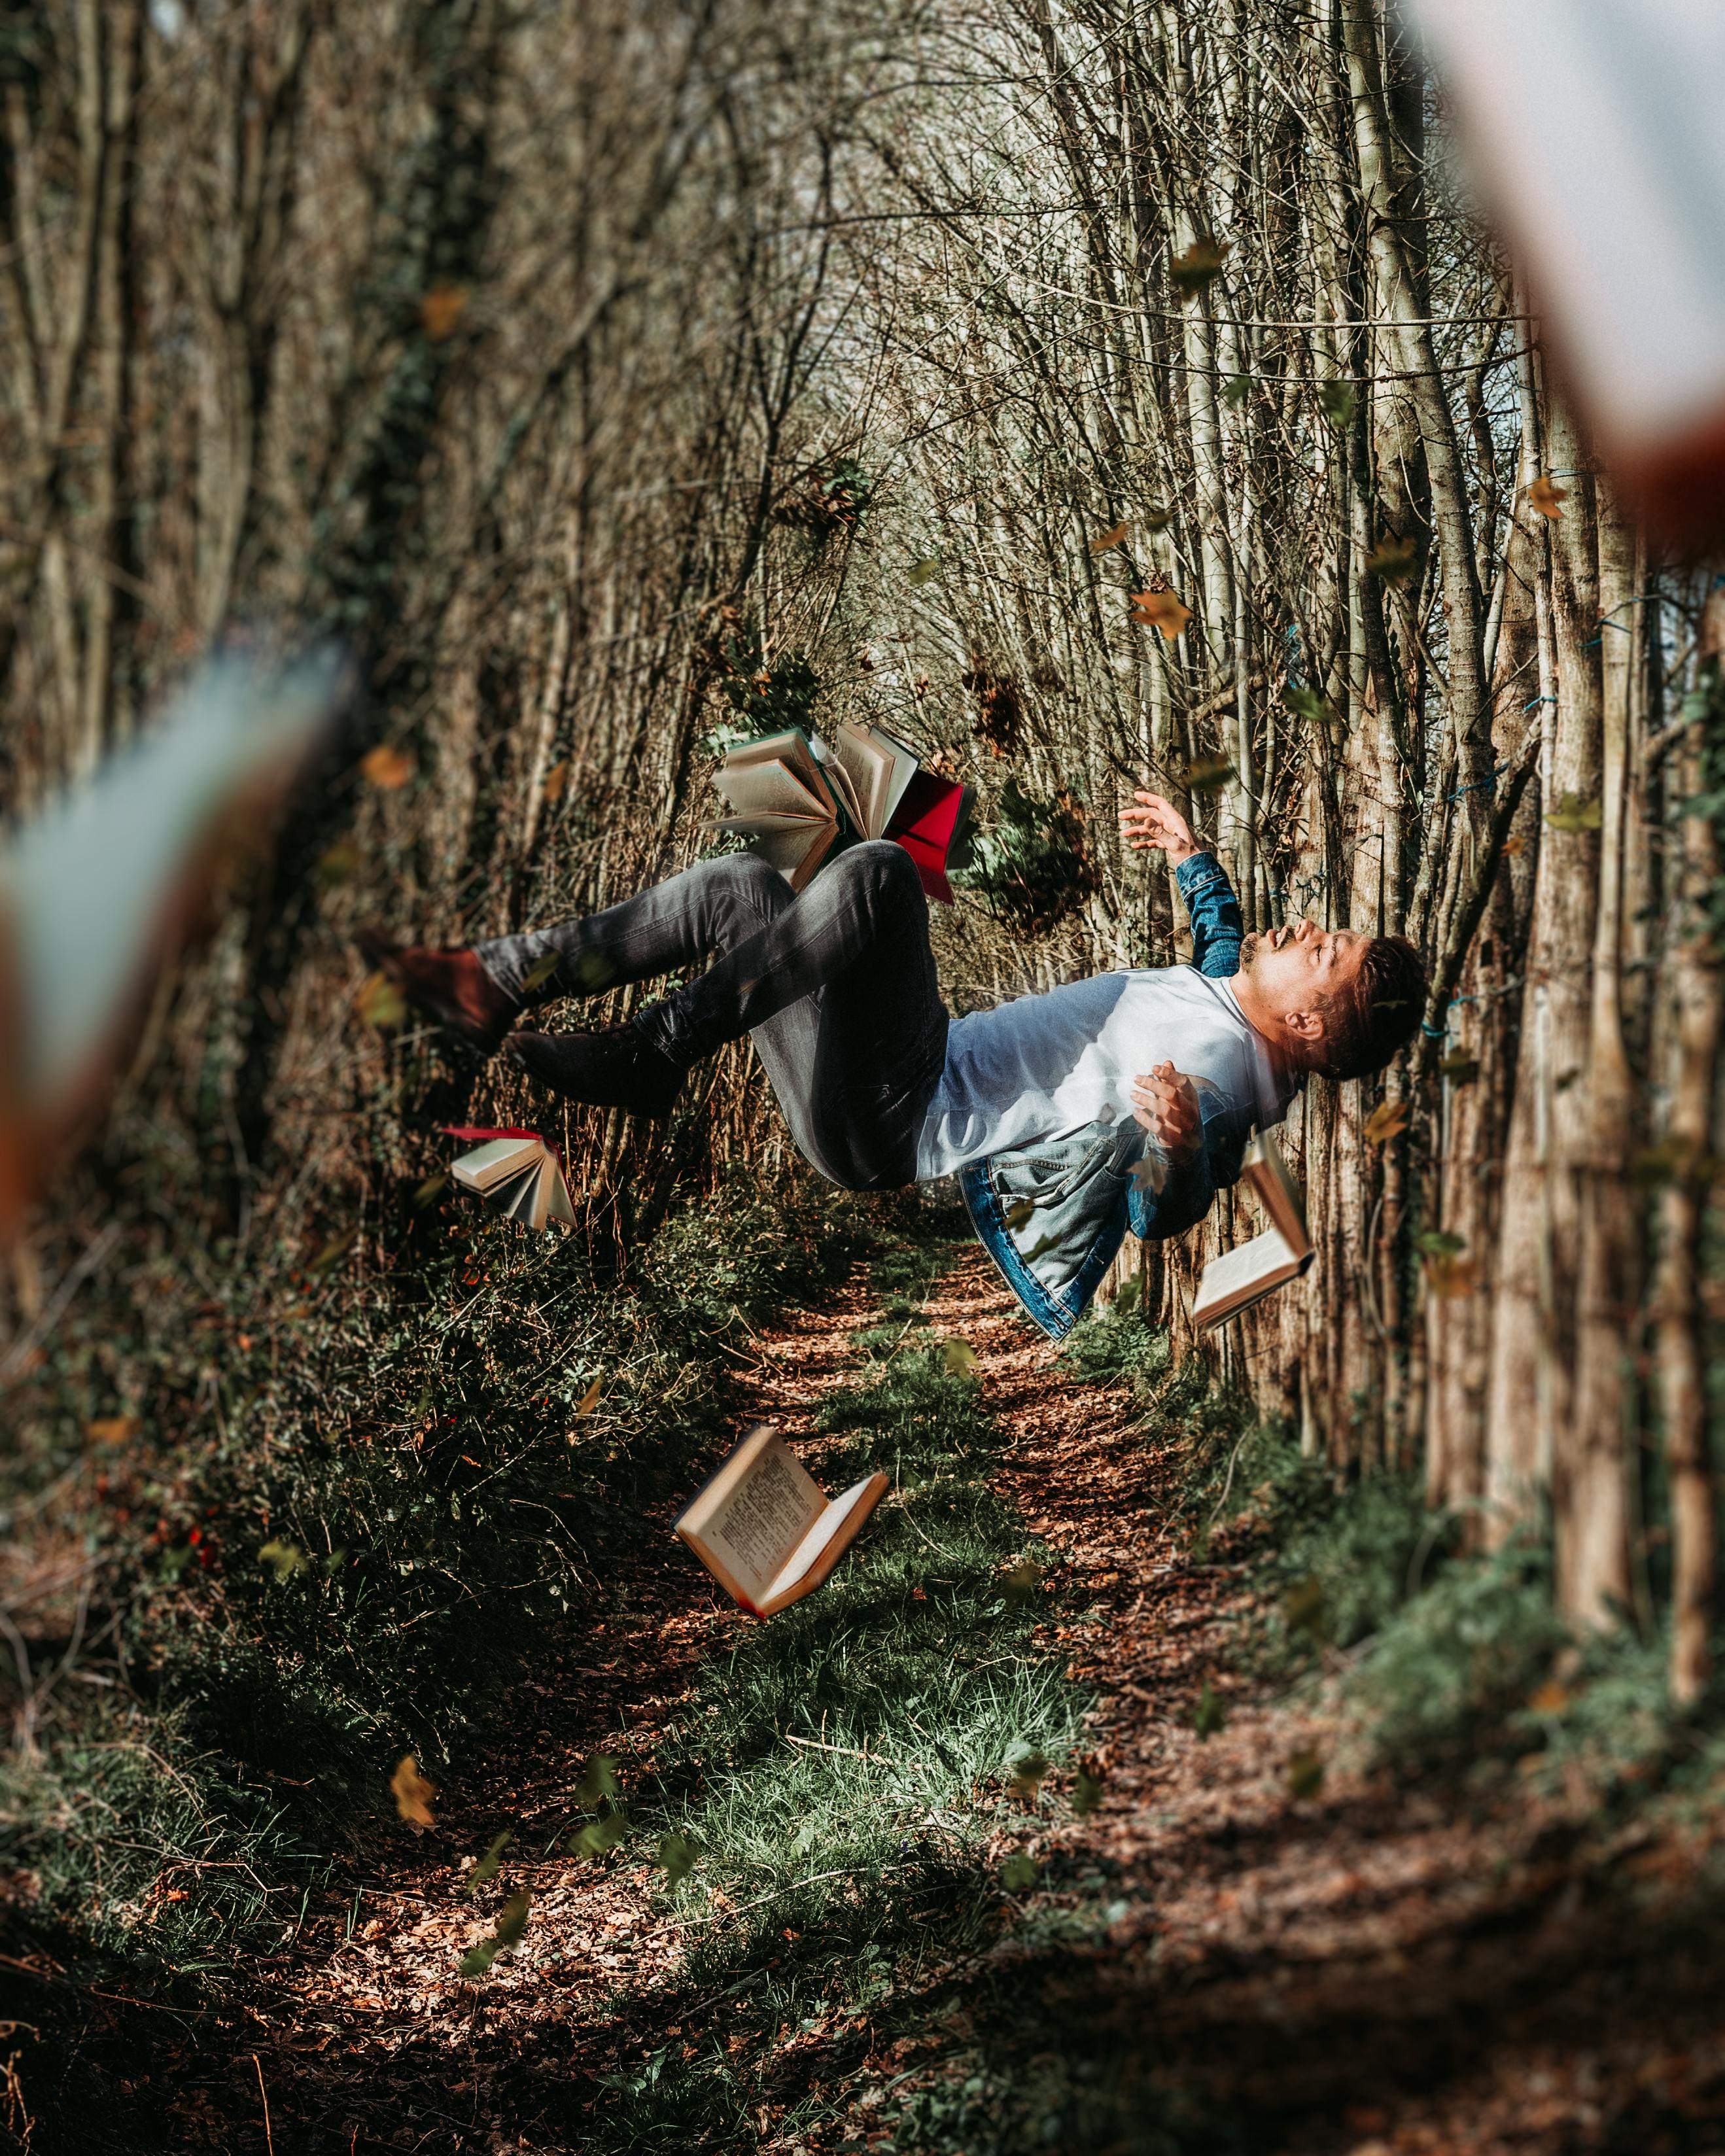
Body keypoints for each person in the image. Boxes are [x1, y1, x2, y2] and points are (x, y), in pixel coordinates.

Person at [360, 790, 1425, 1336]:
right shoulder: (1227, 1000)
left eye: (1324, 953)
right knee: (742, 885)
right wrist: (1195, 856)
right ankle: (494, 979)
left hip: (901, 1112)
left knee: (877, 874)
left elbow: (1162, 1213)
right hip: (890, 1082)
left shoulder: (1227, 1094)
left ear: (1316, 1034)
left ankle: (654, 1051)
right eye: (1325, 928)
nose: (1309, 930)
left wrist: (1179, 1152)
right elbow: (1219, 946)